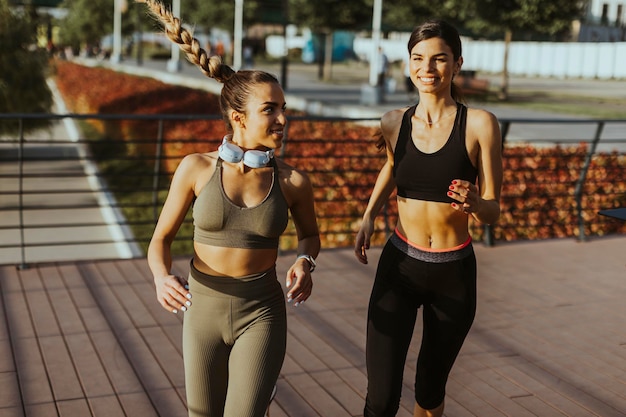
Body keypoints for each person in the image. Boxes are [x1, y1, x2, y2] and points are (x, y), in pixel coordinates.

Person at [138, 1, 321, 416]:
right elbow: (160, 240)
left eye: (283, 109)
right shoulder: (195, 168)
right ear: (238, 117)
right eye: (270, 110)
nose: (282, 119)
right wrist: (160, 277)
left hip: (263, 312)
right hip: (201, 309)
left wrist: (306, 261)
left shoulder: (293, 181)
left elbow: (310, 235)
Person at [354, 20, 502, 417]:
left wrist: (476, 203)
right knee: (381, 397)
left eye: (439, 59)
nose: (427, 68)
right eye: (418, 58)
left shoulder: (480, 124)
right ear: (408, 63)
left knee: (429, 391)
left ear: (457, 64)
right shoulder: (393, 121)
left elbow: (493, 211)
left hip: (453, 275)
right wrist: (369, 215)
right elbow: (391, 166)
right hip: (400, 267)